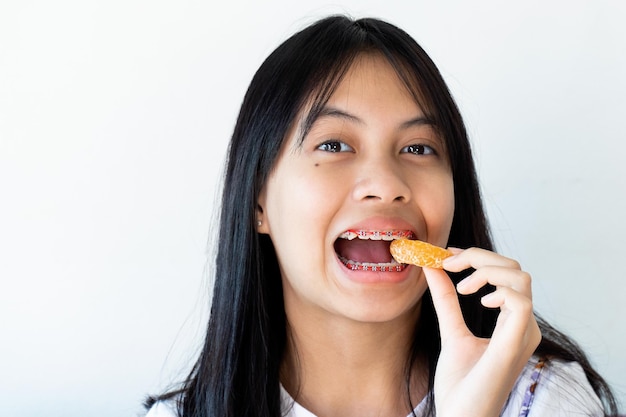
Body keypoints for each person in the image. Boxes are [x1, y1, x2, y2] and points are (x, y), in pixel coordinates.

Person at [144, 15, 619, 417]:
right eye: (333, 145)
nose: (387, 184)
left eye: (418, 147)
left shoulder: (549, 400)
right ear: (257, 203)